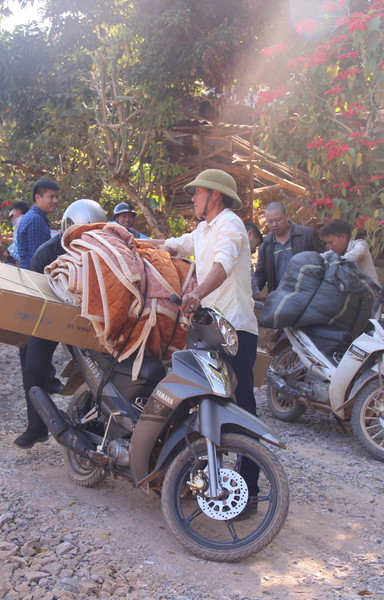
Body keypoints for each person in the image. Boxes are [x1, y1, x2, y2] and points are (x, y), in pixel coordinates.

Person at [151, 169, 260, 517]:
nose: (193, 198)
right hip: (209, 331)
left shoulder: (231, 225)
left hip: (236, 331)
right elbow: (171, 245)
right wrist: (133, 241)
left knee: (240, 407)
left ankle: (250, 491)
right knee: (203, 402)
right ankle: (200, 475)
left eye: (197, 193)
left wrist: (197, 293)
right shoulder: (202, 230)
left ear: (214, 195)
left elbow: (222, 265)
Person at [15, 199, 108, 449]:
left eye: (93, 236)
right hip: (52, 316)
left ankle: (101, 423)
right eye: (80, 235)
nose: (87, 242)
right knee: (32, 363)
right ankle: (36, 426)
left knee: (103, 368)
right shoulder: (45, 254)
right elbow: (38, 297)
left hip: (91, 318)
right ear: (68, 229)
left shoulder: (107, 252)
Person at [255, 201, 325, 295]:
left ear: (287, 216)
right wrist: (250, 292)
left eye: (278, 220)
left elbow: (323, 262)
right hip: (279, 297)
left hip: (307, 294)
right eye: (270, 221)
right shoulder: (266, 244)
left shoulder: (308, 235)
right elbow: (261, 274)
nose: (274, 224)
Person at [320, 218, 381, 285]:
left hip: (371, 293)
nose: (329, 247)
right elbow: (320, 257)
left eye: (331, 242)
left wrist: (333, 264)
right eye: (327, 243)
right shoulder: (333, 252)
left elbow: (351, 256)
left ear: (343, 237)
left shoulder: (360, 244)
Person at [16, 178, 60, 269]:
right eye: (51, 197)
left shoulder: (32, 216)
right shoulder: (36, 220)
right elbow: (39, 260)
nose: (55, 201)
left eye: (57, 197)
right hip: (34, 278)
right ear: (37, 198)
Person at [245, 222, 265, 298]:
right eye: (256, 245)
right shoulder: (242, 254)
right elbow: (250, 278)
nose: (254, 250)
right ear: (250, 234)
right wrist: (257, 295)